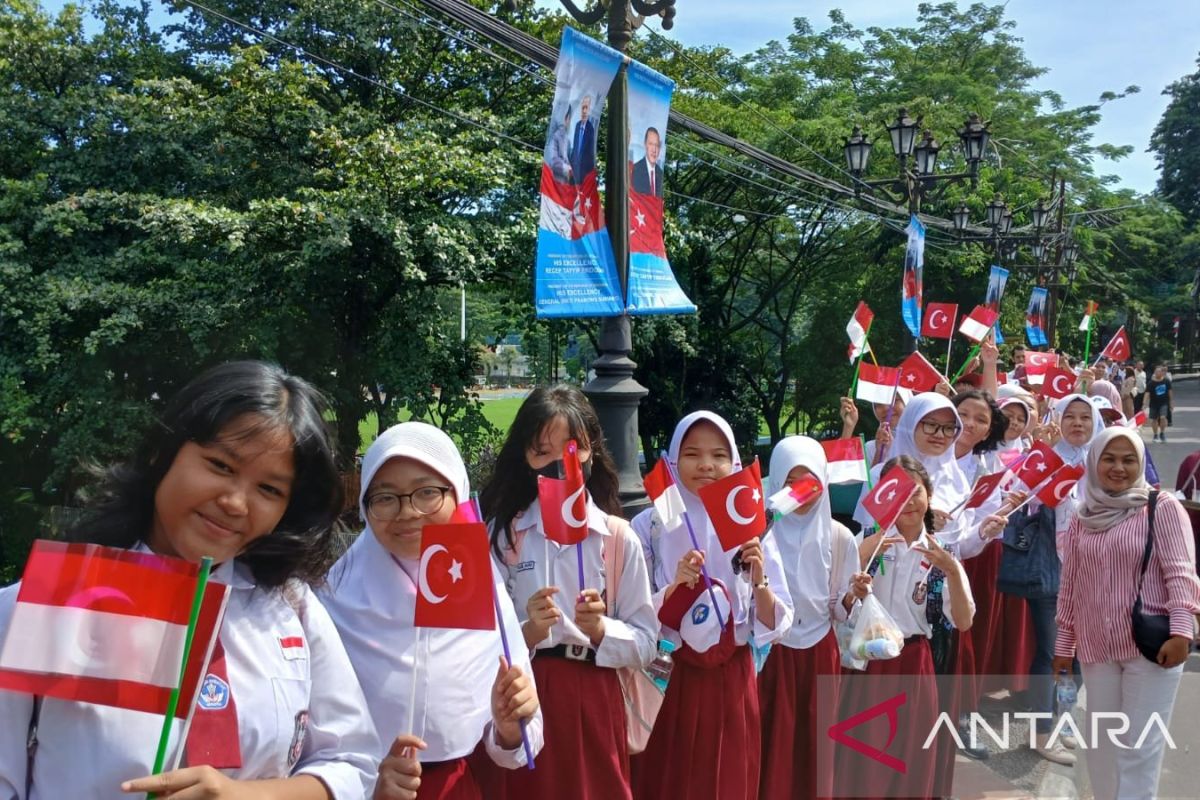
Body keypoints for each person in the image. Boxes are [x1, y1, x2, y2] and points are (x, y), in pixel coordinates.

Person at [0, 360, 379, 799]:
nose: (236, 502)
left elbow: (352, 762)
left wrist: (246, 796)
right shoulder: (48, 605)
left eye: (269, 490)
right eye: (220, 465)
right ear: (165, 452)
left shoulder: (291, 608)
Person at [319, 422, 543, 800]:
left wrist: (509, 727)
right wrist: (367, 785)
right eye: (385, 497)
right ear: (365, 505)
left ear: (456, 493)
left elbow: (522, 735)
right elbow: (309, 735)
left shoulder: (480, 588)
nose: (407, 513)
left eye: (427, 493)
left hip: (462, 786)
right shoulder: (331, 597)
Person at [481, 385, 657, 800]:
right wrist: (526, 630)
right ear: (524, 456)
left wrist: (601, 630)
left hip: (595, 693)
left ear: (591, 450)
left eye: (570, 448)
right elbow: (479, 641)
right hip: (526, 692)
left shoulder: (616, 538)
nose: (557, 464)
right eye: (541, 451)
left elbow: (648, 642)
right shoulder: (505, 535)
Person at [630, 411, 793, 800]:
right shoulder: (650, 525)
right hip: (669, 674)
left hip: (731, 677)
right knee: (669, 775)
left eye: (719, 455)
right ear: (672, 459)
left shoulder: (749, 523)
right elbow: (633, 614)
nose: (706, 465)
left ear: (734, 463)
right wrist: (676, 587)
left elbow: (776, 622)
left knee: (728, 776)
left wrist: (759, 578)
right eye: (692, 454)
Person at [1053, 427, 1200, 800]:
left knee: (1139, 748)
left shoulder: (1161, 507)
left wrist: (1182, 632)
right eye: (1109, 458)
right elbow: (1071, 584)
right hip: (1096, 648)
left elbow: (1181, 572)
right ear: (1094, 461)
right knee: (1101, 746)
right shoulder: (1081, 516)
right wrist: (1064, 644)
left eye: (1128, 459)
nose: (1118, 467)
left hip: (1150, 647)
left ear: (1140, 464)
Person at [837, 455, 975, 799]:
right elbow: (839, 607)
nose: (908, 501)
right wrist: (863, 554)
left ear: (929, 493)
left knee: (909, 751)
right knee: (865, 750)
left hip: (914, 662)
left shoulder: (941, 554)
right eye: (895, 492)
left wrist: (954, 572)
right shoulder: (865, 542)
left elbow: (964, 620)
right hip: (868, 659)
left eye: (915, 492)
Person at [757, 436, 869, 800]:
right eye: (792, 482)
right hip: (772, 653)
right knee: (769, 736)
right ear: (775, 483)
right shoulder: (761, 535)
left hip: (819, 652)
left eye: (811, 481)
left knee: (815, 739)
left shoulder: (839, 537)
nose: (802, 492)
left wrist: (852, 594)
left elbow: (836, 610)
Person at [838, 389, 912, 465]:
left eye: (894, 400)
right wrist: (848, 427)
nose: (886, 408)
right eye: (879, 404)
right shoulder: (870, 449)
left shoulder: (922, 443)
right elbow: (841, 471)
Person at [569, 94, 597, 181]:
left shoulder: (591, 129)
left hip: (584, 174)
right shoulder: (577, 126)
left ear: (590, 110)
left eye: (587, 108)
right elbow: (575, 148)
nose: (584, 111)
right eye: (583, 108)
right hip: (573, 172)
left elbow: (590, 154)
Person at [630, 127, 664, 198]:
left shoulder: (660, 174)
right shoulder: (635, 169)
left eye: (657, 145)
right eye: (651, 144)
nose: (654, 150)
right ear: (645, 145)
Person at [543, 104, 573, 184]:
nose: (569, 121)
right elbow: (553, 160)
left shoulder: (568, 140)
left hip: (566, 184)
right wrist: (568, 169)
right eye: (569, 118)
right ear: (565, 119)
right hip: (556, 183)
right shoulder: (554, 136)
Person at [1147, 364, 1173, 442]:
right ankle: (1155, 435)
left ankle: (1162, 433)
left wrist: (1171, 402)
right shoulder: (1151, 383)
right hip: (1153, 404)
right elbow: (1147, 393)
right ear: (1154, 372)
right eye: (1156, 371)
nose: (1158, 373)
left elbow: (1170, 392)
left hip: (1164, 403)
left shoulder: (1166, 381)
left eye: (1160, 371)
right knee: (1154, 419)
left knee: (1163, 417)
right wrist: (1144, 403)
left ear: (1162, 372)